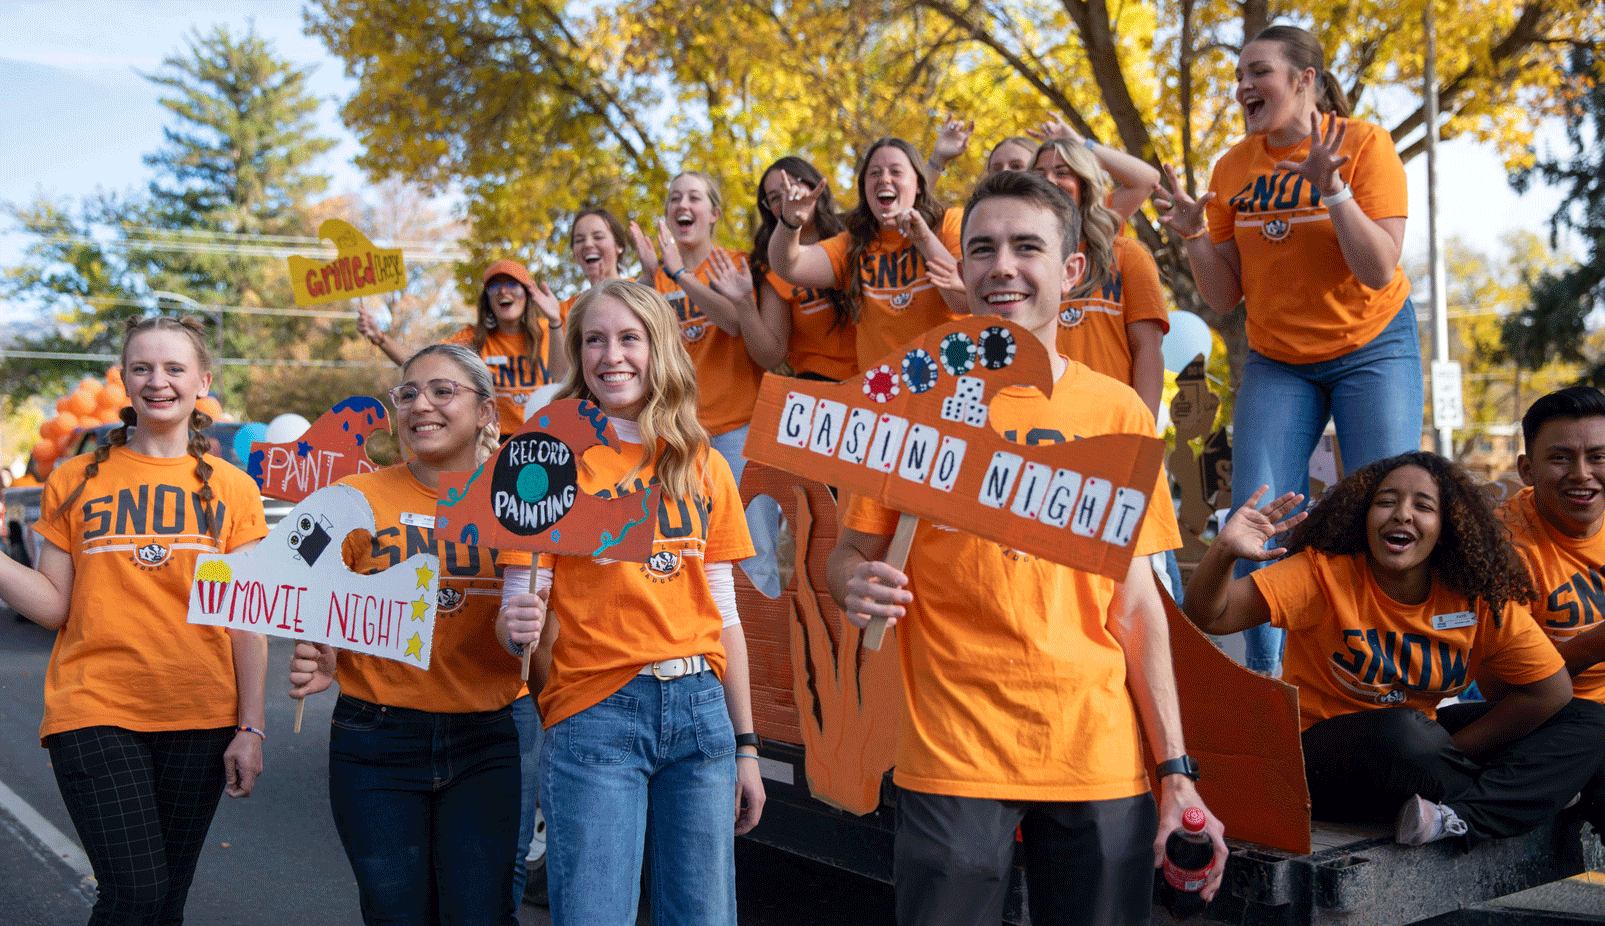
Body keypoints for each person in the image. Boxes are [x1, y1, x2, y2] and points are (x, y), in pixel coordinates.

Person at [827, 170, 1226, 926]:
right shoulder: (909, 402)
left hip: (1096, 753)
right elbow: (847, 554)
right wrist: (853, 581)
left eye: (1025, 246)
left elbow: (1137, 607)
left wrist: (1175, 771)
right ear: (961, 269)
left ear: (1071, 271)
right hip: (951, 752)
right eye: (981, 249)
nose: (1000, 265)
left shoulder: (1117, 413)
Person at [1157, 23, 1422, 675]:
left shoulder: (1363, 145)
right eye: (1238, 76)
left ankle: (1380, 663)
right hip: (1279, 362)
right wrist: (1192, 235)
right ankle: (1266, 675)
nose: (1243, 86)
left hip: (1372, 348)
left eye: (1258, 72)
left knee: (1383, 507)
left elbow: (1377, 270)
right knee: (1258, 512)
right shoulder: (1231, 167)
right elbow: (1222, 297)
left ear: (1304, 80)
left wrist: (1331, 189)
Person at [499, 279, 765, 926]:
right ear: (577, 352)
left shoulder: (702, 461)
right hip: (596, 716)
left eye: (629, 338)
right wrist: (517, 623)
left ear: (660, 347)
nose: (610, 355)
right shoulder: (542, 458)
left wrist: (747, 746)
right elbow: (519, 607)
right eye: (593, 339)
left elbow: (723, 613)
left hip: (702, 716)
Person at [1184, 452, 1605, 846]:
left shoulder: (1476, 595)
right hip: (1316, 761)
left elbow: (1551, 692)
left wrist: (1454, 751)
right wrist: (1223, 551)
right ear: (1364, 517)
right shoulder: (1322, 574)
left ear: (1448, 527)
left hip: (1423, 750)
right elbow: (1211, 617)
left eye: (1423, 506)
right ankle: (1527, 796)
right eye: (1386, 501)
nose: (1402, 513)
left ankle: (1459, 815)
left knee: (1588, 719)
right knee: (1401, 732)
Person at [0, 315, 268, 924]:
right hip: (93, 708)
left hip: (200, 714)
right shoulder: (73, 480)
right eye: (142, 367)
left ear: (202, 381)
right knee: (137, 893)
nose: (158, 381)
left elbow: (246, 620)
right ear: (125, 380)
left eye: (175, 368)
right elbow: (52, 605)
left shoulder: (233, 490)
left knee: (164, 903)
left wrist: (251, 728)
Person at [289, 344, 523, 925]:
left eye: (443, 391)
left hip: (485, 739)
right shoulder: (357, 500)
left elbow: (558, 615)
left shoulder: (520, 501)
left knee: (480, 916)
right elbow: (301, 593)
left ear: (486, 413)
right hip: (375, 740)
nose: (423, 405)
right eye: (409, 393)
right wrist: (321, 652)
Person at [1498, 386, 1605, 832]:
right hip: (1555, 726)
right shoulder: (1502, 546)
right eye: (1560, 458)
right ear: (1527, 469)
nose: (1582, 474)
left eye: (1598, 457)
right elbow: (1505, 690)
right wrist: (1596, 644)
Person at [768, 137, 966, 371]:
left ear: (919, 184)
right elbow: (789, 266)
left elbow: (962, 302)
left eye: (896, 171)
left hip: (949, 386)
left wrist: (923, 239)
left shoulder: (951, 224)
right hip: (883, 395)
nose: (884, 179)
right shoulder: (852, 244)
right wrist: (789, 222)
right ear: (865, 189)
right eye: (874, 173)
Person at [641, 171, 765, 484]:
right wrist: (647, 276)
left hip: (738, 427)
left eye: (694, 197)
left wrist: (681, 275)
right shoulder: (652, 279)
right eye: (675, 198)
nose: (682, 204)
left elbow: (735, 323)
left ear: (714, 214)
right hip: (677, 431)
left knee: (751, 534)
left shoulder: (736, 264)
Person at [1031, 134, 1168, 417]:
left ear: (1085, 183)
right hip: (1040, 422)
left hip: (1111, 422)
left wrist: (1142, 430)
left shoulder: (1128, 255)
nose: (1049, 180)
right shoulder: (1023, 265)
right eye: (1039, 174)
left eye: (1062, 173)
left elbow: (1148, 349)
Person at [358, 260, 567, 436]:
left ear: (527, 294)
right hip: (492, 442)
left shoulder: (551, 331)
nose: (503, 290)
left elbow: (566, 379)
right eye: (495, 286)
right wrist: (380, 338)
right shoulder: (471, 339)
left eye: (512, 284)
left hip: (546, 436)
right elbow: (422, 362)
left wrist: (555, 322)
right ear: (487, 300)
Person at [728, 155, 857, 382]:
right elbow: (772, 356)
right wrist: (744, 304)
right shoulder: (771, 265)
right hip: (817, 388)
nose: (788, 199)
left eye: (793, 186)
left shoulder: (855, 235)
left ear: (815, 185)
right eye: (775, 198)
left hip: (878, 375)